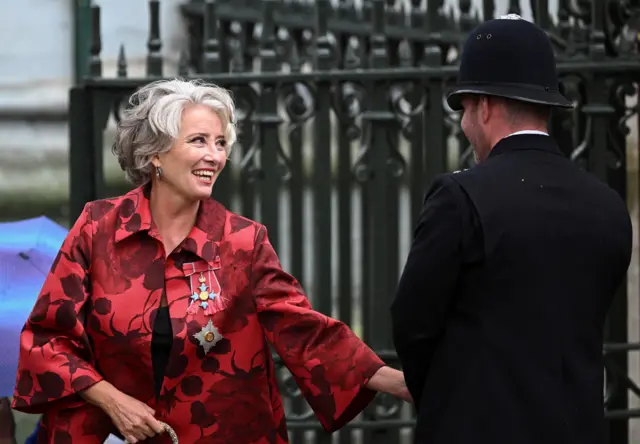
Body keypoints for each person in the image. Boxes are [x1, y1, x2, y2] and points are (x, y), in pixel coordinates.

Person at [11, 78, 411, 443]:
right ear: (156, 154)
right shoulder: (98, 228)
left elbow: (302, 328)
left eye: (221, 143)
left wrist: (398, 382)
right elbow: (49, 339)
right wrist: (113, 401)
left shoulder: (242, 241)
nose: (215, 156)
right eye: (199, 141)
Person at [390, 15, 632, 444]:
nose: (465, 125)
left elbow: (413, 325)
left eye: (464, 110)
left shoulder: (459, 196)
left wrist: (447, 398)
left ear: (483, 107)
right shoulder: (608, 206)